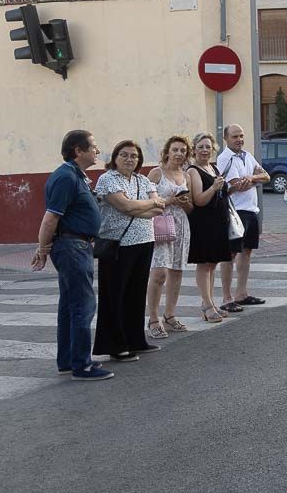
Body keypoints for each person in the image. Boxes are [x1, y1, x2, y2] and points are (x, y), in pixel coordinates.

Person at [33, 131, 110, 380]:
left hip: (76, 246)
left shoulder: (74, 175)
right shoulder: (66, 176)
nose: (97, 151)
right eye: (93, 147)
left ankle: (67, 361)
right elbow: (50, 218)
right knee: (83, 305)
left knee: (69, 305)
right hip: (72, 247)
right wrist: (42, 249)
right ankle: (82, 365)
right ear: (78, 150)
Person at [93, 140, 164, 361]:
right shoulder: (108, 179)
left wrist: (138, 206)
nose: (129, 159)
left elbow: (158, 206)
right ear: (115, 158)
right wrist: (141, 205)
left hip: (144, 241)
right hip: (118, 245)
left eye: (133, 156)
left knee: (136, 294)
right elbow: (125, 206)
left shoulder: (142, 179)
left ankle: (135, 339)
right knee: (115, 295)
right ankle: (115, 345)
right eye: (124, 155)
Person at [216, 124, 269, 313]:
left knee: (247, 252)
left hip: (251, 209)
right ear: (226, 139)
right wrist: (253, 179)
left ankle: (242, 293)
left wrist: (252, 179)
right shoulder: (224, 159)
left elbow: (266, 176)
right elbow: (238, 185)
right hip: (234, 211)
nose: (239, 139)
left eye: (241, 135)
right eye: (234, 136)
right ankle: (226, 297)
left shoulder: (247, 155)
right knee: (229, 254)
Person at [147, 136, 194, 339]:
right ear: (167, 152)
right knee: (159, 274)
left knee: (177, 272)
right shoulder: (156, 173)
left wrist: (183, 202)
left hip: (181, 226)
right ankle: (153, 318)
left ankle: (170, 315)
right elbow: (147, 202)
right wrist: (170, 200)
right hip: (160, 226)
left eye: (183, 150)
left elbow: (191, 207)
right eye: (175, 150)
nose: (179, 154)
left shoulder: (186, 176)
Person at [186, 133, 232, 323]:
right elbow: (199, 200)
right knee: (204, 264)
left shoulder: (213, 167)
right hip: (203, 223)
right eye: (201, 147)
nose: (205, 150)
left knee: (212, 264)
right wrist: (214, 187)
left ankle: (211, 303)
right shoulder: (193, 171)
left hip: (218, 222)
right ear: (194, 149)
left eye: (208, 147)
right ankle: (206, 304)